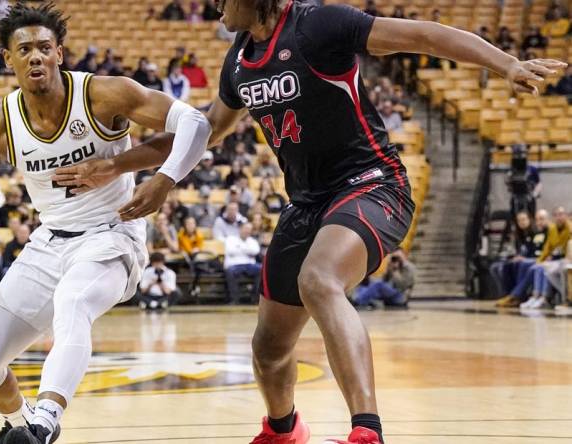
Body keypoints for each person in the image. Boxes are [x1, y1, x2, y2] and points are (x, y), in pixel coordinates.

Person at [56, 1, 566, 442]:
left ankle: (367, 430)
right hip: (305, 204)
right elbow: (206, 129)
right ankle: (283, 430)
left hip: (371, 182)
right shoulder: (239, 60)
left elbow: (423, 34)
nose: (215, 6)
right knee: (268, 348)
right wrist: (120, 166)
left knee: (319, 281)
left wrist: (505, 63)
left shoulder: (319, 26)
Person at [0, 4, 211, 444]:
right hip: (49, 242)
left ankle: (45, 420)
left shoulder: (103, 94)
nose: (36, 56)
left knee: (73, 301)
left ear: (59, 54)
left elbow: (194, 124)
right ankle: (22, 426)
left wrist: (148, 176)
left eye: (44, 48)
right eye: (24, 48)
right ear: (7, 59)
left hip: (112, 235)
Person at [224, 222, 261, 304]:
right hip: (234, 265)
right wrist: (247, 250)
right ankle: (234, 299)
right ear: (240, 229)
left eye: (249, 230)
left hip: (249, 265)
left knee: (262, 269)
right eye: (245, 229)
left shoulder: (252, 241)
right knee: (230, 271)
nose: (247, 231)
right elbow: (230, 251)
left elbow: (255, 251)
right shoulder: (230, 239)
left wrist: (239, 248)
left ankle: (256, 298)